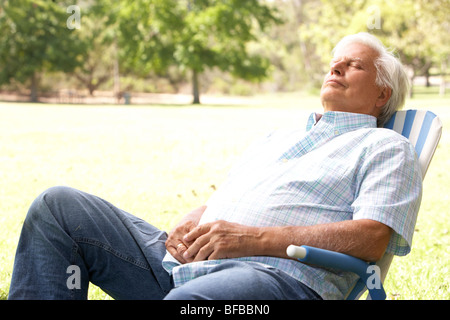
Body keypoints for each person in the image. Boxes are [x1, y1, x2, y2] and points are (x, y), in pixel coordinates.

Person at [8, 32, 422, 300]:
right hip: (190, 263)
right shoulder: (281, 137)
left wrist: (253, 240)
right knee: (58, 208)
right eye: (335, 61)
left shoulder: (385, 147)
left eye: (354, 64)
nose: (335, 67)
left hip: (277, 279)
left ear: (382, 93)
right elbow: (233, 195)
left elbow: (371, 239)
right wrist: (195, 218)